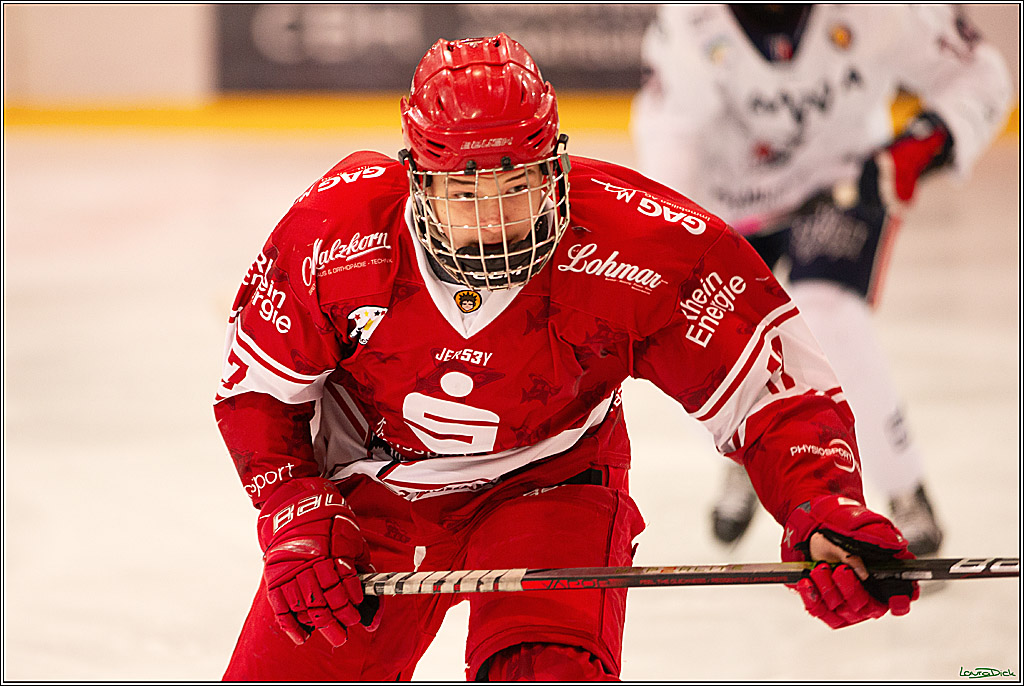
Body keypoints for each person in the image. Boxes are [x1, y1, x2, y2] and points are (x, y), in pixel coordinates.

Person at [214, 33, 921, 682]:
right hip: (373, 492)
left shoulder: (641, 243)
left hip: (553, 483)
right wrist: (296, 511)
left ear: (556, 165)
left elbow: (771, 394)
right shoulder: (337, 233)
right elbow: (257, 396)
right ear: (417, 181)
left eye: (517, 187)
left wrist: (821, 502)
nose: (493, 221)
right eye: (465, 193)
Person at [631, 4, 1012, 552]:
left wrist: (926, 143)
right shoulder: (689, 22)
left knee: (827, 311)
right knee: (713, 333)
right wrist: (674, 233)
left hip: (841, 179)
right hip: (729, 200)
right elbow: (672, 138)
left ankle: (906, 489)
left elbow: (979, 73)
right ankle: (750, 453)